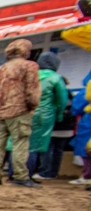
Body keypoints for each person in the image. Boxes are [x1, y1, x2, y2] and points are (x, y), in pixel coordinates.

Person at [0, 39, 41, 189]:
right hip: (19, 111)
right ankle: (20, 176)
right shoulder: (29, 66)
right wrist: (33, 105)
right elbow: (32, 90)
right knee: (20, 143)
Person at [27, 52, 68, 182]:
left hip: (29, 112)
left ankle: (22, 171)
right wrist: (60, 115)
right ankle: (39, 172)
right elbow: (62, 99)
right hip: (46, 114)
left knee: (26, 143)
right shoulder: (56, 78)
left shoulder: (32, 75)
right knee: (39, 146)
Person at [70, 70, 91, 186]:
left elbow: (77, 107)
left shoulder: (86, 90)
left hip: (88, 121)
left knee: (86, 149)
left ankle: (87, 175)